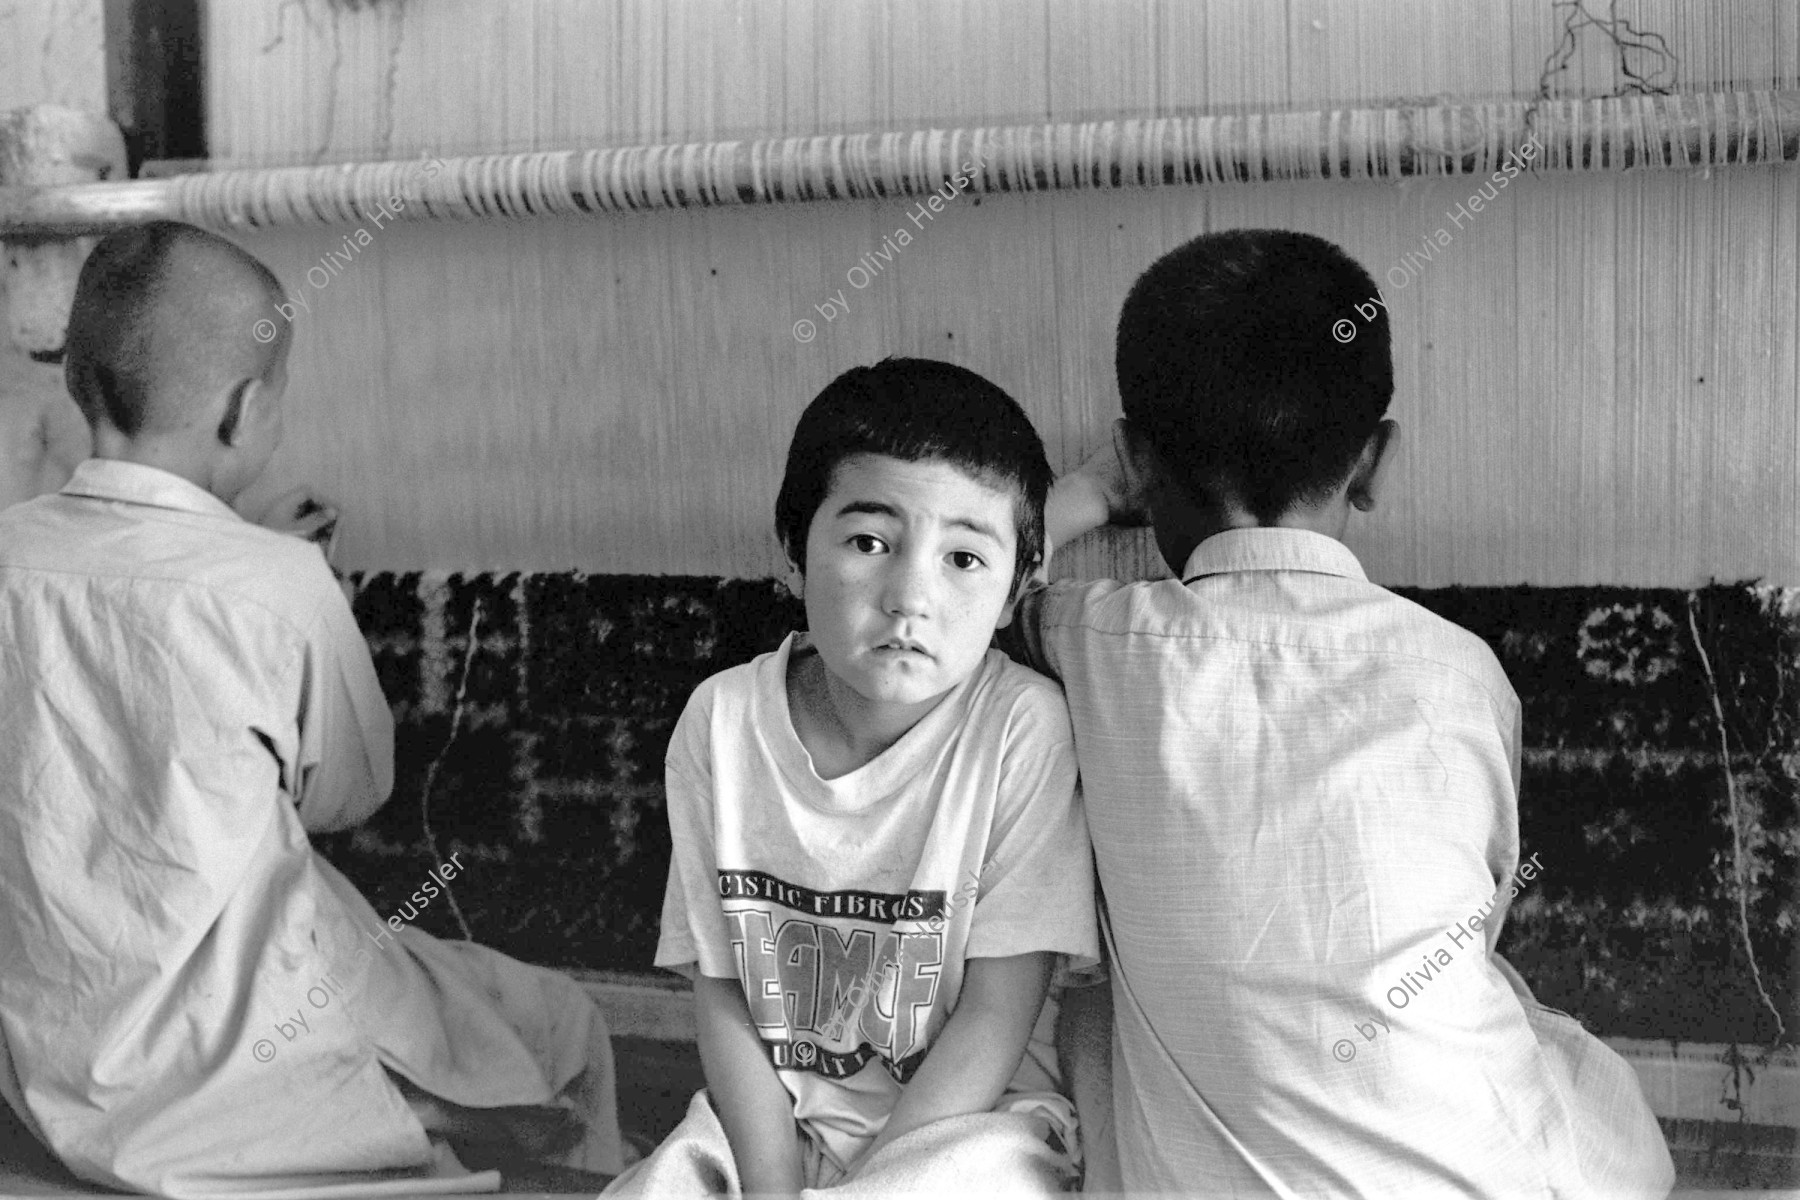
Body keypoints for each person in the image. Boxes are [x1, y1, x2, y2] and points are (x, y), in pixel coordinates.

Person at [1022, 229, 1675, 1197]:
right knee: (1551, 1059)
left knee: (1086, 1011)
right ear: (1373, 462)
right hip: (1480, 1172)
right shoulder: (1460, 673)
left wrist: (1081, 494)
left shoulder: (1088, 640)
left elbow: (954, 593)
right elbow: (1476, 914)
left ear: (1138, 458)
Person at [0, 220, 624, 1198]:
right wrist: (288, 582)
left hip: (55, 1074)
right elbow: (346, 795)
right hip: (250, 1077)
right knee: (564, 1031)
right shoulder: (278, 588)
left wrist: (238, 559)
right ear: (247, 410)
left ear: (80, 382)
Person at [612, 359, 1098, 1198]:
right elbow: (722, 992)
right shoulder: (721, 724)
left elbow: (995, 1015)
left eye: (963, 559)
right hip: (775, 1126)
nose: (909, 596)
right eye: (869, 542)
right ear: (796, 556)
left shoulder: (1021, 732)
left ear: (1019, 588)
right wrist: (772, 1189)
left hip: (971, 1132)